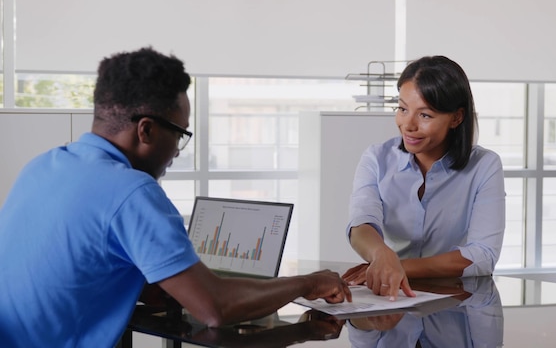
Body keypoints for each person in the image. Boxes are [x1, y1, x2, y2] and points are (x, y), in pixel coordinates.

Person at [0, 47, 351, 347]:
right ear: (147, 129)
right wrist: (310, 283)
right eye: (180, 133)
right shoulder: (133, 192)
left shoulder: (44, 165)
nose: (178, 151)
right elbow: (215, 310)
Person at [341, 55, 505, 301]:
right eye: (402, 109)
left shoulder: (484, 166)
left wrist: (395, 265)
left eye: (425, 115)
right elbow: (361, 224)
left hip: (457, 303)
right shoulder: (376, 158)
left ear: (456, 118)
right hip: (389, 299)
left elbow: (482, 256)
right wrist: (380, 255)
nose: (408, 124)